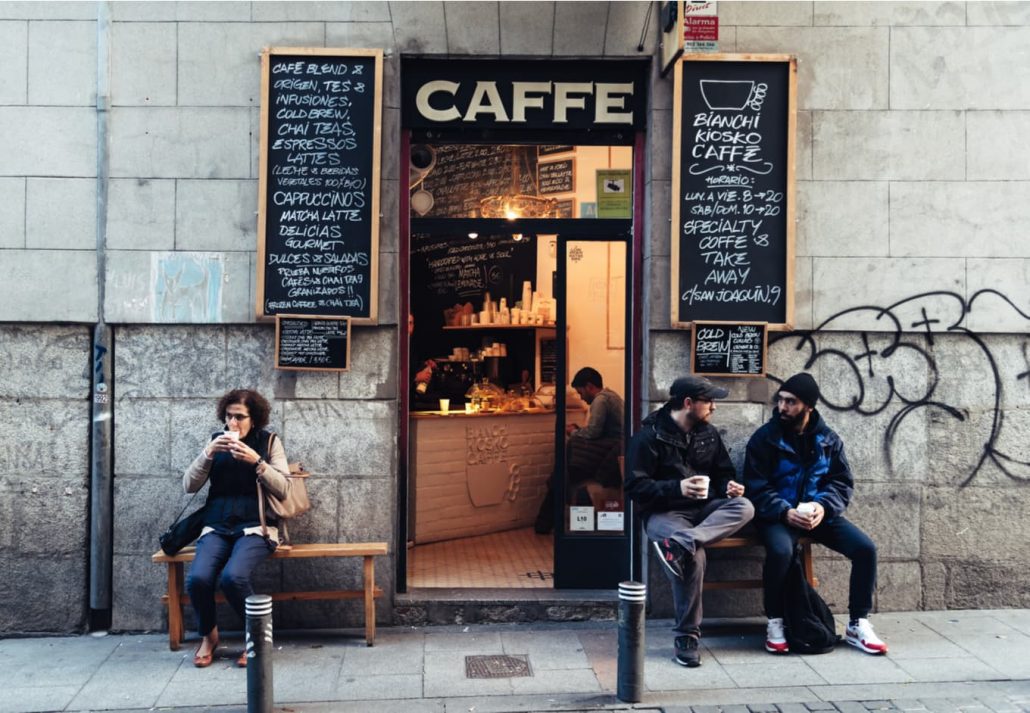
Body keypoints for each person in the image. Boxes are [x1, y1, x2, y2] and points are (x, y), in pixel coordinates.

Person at [744, 373, 887, 656]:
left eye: (791, 402)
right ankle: (775, 623)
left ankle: (858, 622)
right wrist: (784, 511)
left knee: (865, 549)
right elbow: (756, 486)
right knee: (781, 552)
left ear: (808, 406)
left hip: (817, 515)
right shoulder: (765, 438)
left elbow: (841, 483)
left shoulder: (828, 439)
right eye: (781, 400)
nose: (782, 407)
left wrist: (823, 506)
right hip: (777, 516)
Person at [624, 376, 754, 668]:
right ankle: (686, 636)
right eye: (708, 401)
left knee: (745, 507)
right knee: (694, 557)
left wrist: (730, 486)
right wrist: (677, 488)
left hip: (705, 511)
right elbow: (634, 488)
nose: (714, 408)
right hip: (664, 514)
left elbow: (724, 473)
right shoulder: (648, 437)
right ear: (688, 403)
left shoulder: (707, 433)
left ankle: (683, 542)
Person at [183, 388, 290, 669]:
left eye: (240, 417)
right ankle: (209, 636)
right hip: (216, 526)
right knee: (198, 579)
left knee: (233, 577)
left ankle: (254, 638)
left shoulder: (268, 443)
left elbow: (285, 489)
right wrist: (207, 455)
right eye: (229, 416)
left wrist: (257, 462)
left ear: (253, 419)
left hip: (256, 526)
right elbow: (188, 485)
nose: (233, 423)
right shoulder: (214, 442)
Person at [534, 367, 624, 534]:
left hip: (608, 456)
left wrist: (573, 432)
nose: (582, 398)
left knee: (567, 465)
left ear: (589, 386)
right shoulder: (613, 397)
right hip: (612, 455)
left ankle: (546, 520)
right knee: (565, 472)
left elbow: (593, 432)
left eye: (581, 392)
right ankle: (548, 517)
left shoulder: (601, 400)